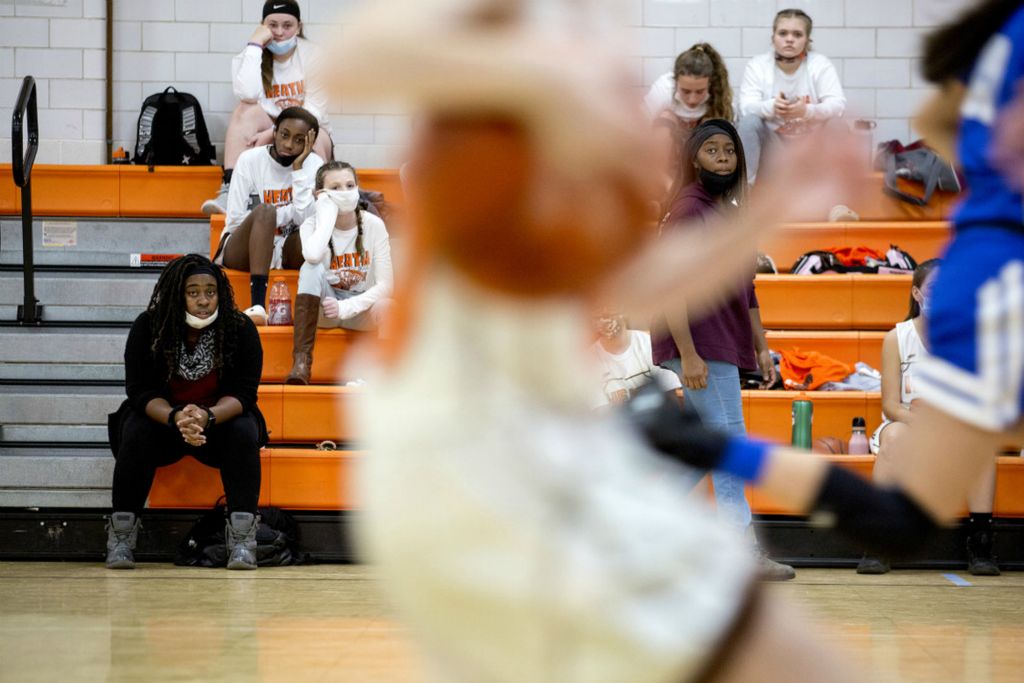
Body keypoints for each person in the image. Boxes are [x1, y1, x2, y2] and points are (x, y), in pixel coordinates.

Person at [332, 1, 868, 680]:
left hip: (546, 448)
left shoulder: (608, 136)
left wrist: (767, 210)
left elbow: (639, 286)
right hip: (454, 452)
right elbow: (349, 59)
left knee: (764, 646)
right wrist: (547, 81)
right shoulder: (488, 114)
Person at [651, 119, 793, 581]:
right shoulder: (689, 210)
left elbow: (747, 291)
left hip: (722, 345)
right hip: (698, 344)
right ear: (694, 159)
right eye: (712, 150)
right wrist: (688, 354)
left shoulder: (725, 212)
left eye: (729, 151)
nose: (722, 158)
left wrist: (764, 347)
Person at [105, 255, 268, 571]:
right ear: (177, 294)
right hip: (164, 423)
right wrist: (175, 417)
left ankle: (242, 542)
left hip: (216, 423)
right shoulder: (149, 327)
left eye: (210, 291)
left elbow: (245, 394)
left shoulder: (239, 329)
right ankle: (121, 538)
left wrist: (207, 417)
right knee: (136, 428)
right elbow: (139, 391)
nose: (203, 300)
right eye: (193, 292)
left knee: (244, 430)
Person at [858, 260, 1000, 575]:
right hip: (905, 423)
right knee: (895, 437)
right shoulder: (896, 338)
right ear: (917, 294)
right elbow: (891, 406)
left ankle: (981, 542)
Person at [201, 0, 334, 215]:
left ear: (299, 26)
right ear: (262, 25)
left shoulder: (314, 55)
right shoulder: (250, 56)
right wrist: (254, 45)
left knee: (313, 136)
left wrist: (273, 134)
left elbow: (313, 112)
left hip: (306, 126)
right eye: (272, 25)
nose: (280, 32)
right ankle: (231, 190)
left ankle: (318, 197)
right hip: (267, 123)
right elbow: (248, 94)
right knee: (244, 111)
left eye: (287, 25)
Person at [285, 161, 394, 385]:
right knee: (311, 267)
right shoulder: (310, 226)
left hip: (360, 310)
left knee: (389, 307)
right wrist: (325, 216)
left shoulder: (374, 225)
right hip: (324, 309)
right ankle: (302, 363)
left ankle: (384, 376)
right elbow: (313, 256)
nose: (344, 192)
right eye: (335, 188)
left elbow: (386, 285)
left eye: (349, 185)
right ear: (320, 195)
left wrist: (346, 307)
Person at [214, 106, 323, 324]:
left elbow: (306, 219)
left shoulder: (315, 165)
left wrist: (299, 169)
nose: (289, 144)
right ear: (274, 132)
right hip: (242, 248)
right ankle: (258, 305)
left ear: (309, 144)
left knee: (316, 233)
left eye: (299, 140)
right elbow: (235, 219)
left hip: (286, 248)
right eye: (284, 135)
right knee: (265, 211)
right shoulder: (249, 160)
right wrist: (276, 216)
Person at [738, 8, 846, 185]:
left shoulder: (820, 65)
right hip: (773, 148)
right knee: (749, 122)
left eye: (797, 34)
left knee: (837, 124)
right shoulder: (757, 65)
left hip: (811, 146)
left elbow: (838, 105)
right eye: (783, 33)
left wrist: (807, 111)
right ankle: (744, 195)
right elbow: (745, 107)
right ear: (773, 37)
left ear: (807, 40)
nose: (789, 39)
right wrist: (771, 107)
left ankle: (837, 199)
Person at [591, 311, 681, 408]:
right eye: (597, 316)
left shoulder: (649, 344)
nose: (604, 321)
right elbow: (599, 412)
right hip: (619, 422)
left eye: (608, 314)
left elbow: (673, 393)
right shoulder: (587, 361)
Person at [645, 43, 733, 130]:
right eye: (685, 91)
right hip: (669, 137)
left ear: (709, 84)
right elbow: (640, 124)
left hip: (703, 137)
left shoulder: (719, 94)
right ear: (675, 82)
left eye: (700, 92)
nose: (692, 100)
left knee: (714, 124)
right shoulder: (665, 87)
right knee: (666, 118)